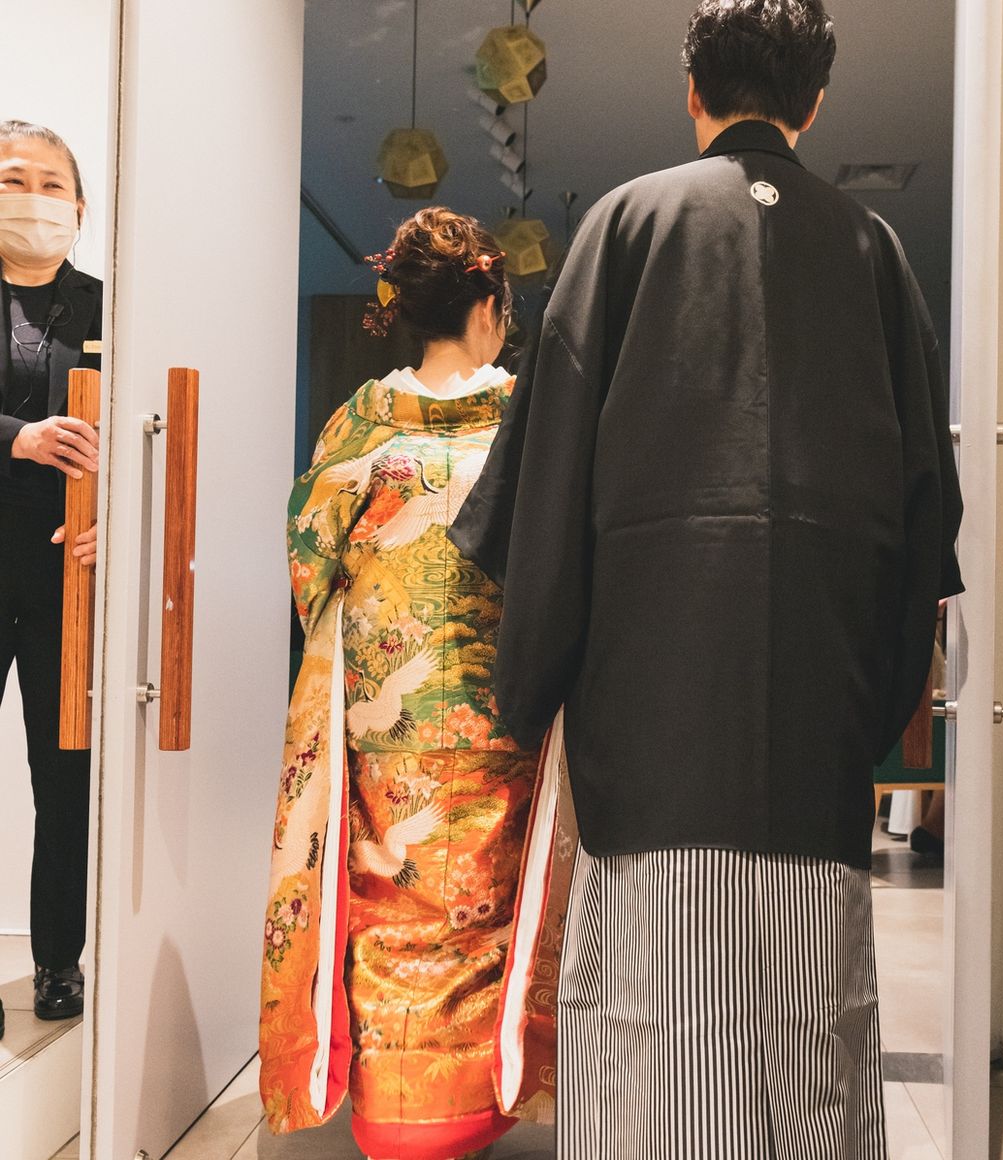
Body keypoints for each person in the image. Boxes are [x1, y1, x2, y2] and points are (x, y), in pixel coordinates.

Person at [450, 1, 963, 1155]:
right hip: (814, 737)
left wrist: (530, 690)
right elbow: (919, 514)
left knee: (656, 1041)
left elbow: (547, 490)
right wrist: (875, 706)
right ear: (812, 103)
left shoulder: (624, 226)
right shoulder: (872, 251)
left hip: (650, 731)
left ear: (692, 92)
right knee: (812, 1039)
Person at [258, 208, 542, 1160]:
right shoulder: (531, 424)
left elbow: (309, 557)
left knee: (389, 888)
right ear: (491, 308)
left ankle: (396, 1117)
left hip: (385, 716)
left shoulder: (362, 427)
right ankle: (477, 1104)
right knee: (486, 902)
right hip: (504, 708)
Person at [0, 120, 100, 1039]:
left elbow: (151, 430)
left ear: (79, 206)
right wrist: (18, 438)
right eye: (12, 179)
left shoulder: (112, 307)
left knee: (65, 774)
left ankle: (59, 961)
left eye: (48, 183)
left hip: (71, 575)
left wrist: (118, 515)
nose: (31, 198)